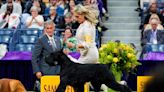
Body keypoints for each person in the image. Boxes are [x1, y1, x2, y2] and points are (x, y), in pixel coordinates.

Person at [31, 20, 62, 91]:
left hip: (57, 71)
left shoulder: (58, 39)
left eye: (51, 28)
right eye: (47, 28)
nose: (49, 30)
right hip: (46, 71)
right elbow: (34, 57)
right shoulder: (41, 40)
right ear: (45, 29)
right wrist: (37, 71)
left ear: (54, 28)